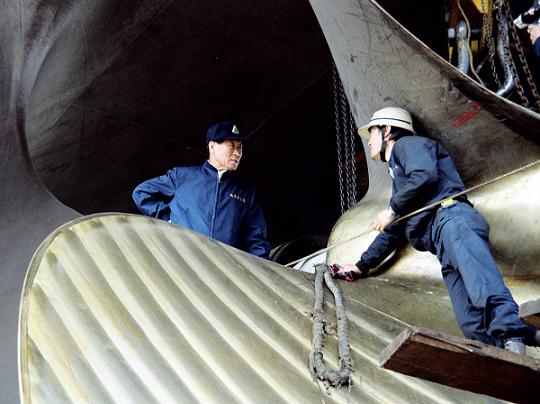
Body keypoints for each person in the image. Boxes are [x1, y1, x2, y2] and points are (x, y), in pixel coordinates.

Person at [332, 107, 539, 354]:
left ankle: (512, 335)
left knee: (481, 285)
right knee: (470, 321)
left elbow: (425, 175)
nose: (368, 142)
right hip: (441, 242)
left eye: (372, 133)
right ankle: (520, 345)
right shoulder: (400, 181)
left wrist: (391, 209)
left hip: (452, 221)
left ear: (387, 130)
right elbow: (394, 230)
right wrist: (361, 265)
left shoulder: (408, 145)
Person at [132, 121, 271, 258]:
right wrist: (169, 219)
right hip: (183, 259)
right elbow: (141, 192)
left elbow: (257, 238)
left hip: (223, 265)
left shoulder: (245, 192)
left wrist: (263, 267)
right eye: (231, 146)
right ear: (212, 146)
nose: (237, 153)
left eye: (240, 147)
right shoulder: (183, 176)